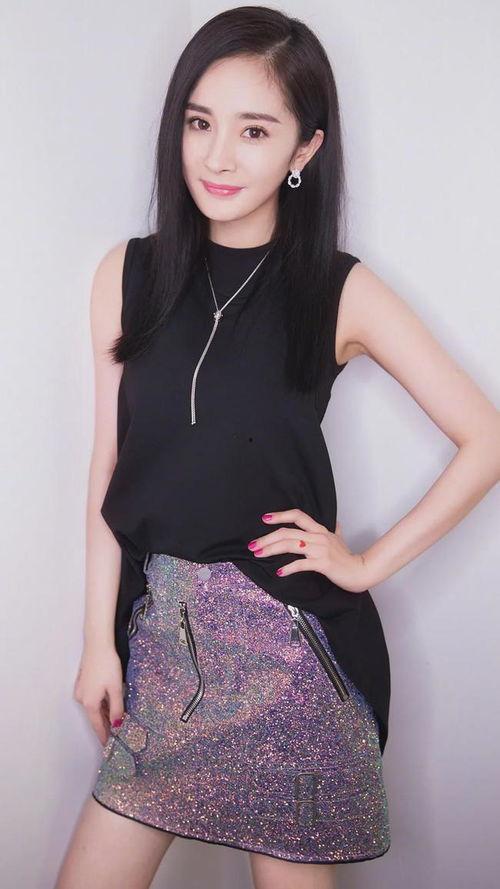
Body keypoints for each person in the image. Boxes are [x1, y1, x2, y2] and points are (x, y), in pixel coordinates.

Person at [54, 8, 500, 889]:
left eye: (254, 131)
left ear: (305, 148)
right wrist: (97, 643)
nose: (218, 157)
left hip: (290, 656)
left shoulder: (339, 289)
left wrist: (365, 563)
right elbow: (109, 470)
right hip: (163, 649)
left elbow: (484, 437)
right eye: (200, 122)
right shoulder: (127, 274)